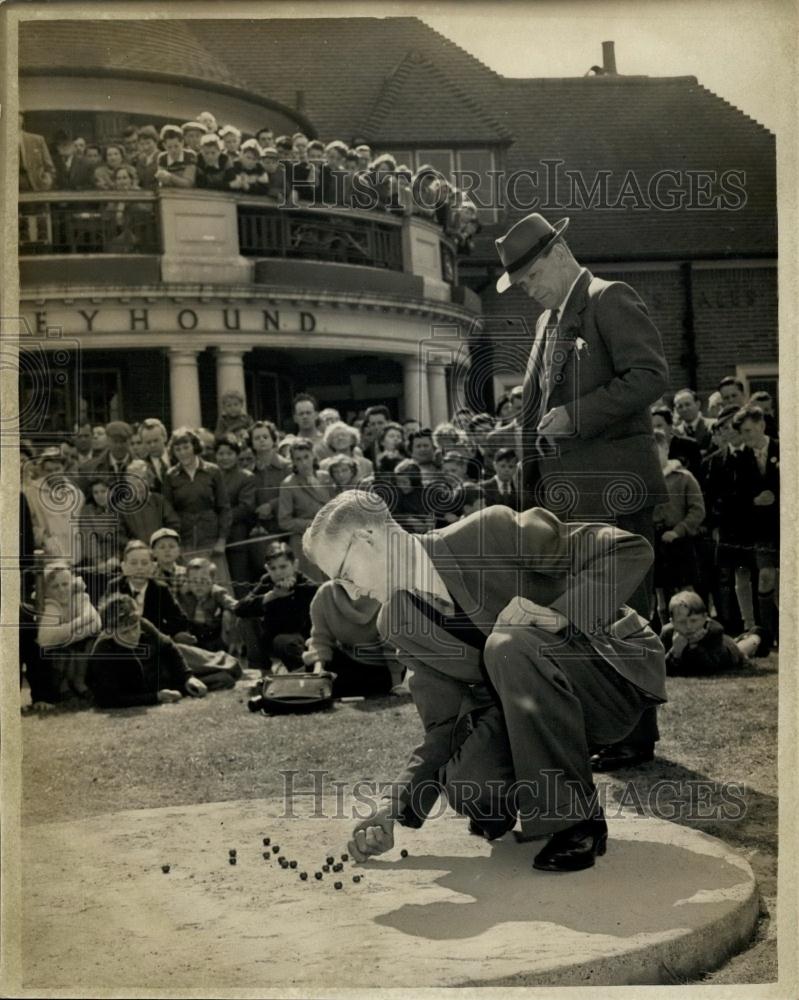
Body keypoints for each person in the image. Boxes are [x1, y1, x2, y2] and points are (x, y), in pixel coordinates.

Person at [303, 492, 665, 871]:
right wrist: (391, 810)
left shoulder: (487, 532)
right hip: (529, 713)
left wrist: (560, 616)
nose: (352, 592)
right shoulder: (396, 623)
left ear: (368, 538)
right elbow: (444, 725)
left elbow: (627, 549)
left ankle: (576, 820)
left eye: (345, 575)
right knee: (467, 782)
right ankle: (524, 799)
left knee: (508, 645)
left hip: (607, 677)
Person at [495, 211, 668, 772]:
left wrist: (576, 415)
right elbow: (533, 411)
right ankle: (612, 723)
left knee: (624, 614)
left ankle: (637, 734)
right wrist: (526, 476)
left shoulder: (609, 298)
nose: (527, 291)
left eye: (529, 279)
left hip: (616, 496)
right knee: (585, 616)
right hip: (566, 504)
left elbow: (649, 376)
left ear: (558, 254)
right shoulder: (549, 321)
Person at [88, 595, 207, 709]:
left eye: (135, 627)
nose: (133, 635)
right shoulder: (102, 652)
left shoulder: (143, 623)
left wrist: (188, 677)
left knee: (218, 668)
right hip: (152, 684)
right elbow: (107, 699)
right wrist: (156, 697)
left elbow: (168, 645)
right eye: (125, 632)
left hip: (167, 668)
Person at [302, 580, 402, 696]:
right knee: (312, 667)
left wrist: (397, 685)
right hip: (348, 659)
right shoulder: (326, 592)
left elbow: (392, 644)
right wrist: (318, 672)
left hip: (382, 668)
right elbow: (321, 638)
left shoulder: (386, 594)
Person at [732, 404, 779, 653]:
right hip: (762, 530)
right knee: (765, 576)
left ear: (761, 426)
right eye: (743, 433)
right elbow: (737, 496)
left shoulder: (785, 448)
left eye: (749, 431)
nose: (746, 437)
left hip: (788, 524)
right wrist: (754, 500)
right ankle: (768, 635)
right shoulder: (741, 459)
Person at [234, 541, 318, 672]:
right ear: (267, 569)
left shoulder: (307, 586)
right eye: (273, 568)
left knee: (284, 641)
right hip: (271, 638)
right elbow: (238, 608)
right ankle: (260, 669)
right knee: (245, 620)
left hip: (298, 640)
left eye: (283, 567)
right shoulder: (267, 581)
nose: (278, 572)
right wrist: (272, 596)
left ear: (294, 565)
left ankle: (301, 671)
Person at [651, 428, 706, 622]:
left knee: (686, 591)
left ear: (666, 448)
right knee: (660, 594)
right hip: (655, 542)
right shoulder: (644, 480)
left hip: (679, 542)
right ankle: (666, 632)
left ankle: (693, 626)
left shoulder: (684, 478)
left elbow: (697, 510)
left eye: (656, 449)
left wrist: (678, 531)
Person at [162, 426, 231, 575]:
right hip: (185, 539)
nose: (182, 453)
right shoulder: (170, 476)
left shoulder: (213, 471)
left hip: (210, 539)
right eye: (177, 449)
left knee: (216, 581)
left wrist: (222, 540)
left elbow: (224, 507)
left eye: (186, 447)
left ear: (194, 446)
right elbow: (168, 511)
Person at [35, 562, 101, 704]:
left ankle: (80, 683)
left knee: (89, 641)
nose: (62, 590)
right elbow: (45, 639)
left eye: (65, 584)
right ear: (46, 591)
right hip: (54, 663)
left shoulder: (79, 597)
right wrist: (78, 624)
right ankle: (63, 689)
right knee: (61, 649)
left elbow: (96, 623)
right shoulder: (50, 605)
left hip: (76, 658)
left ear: (72, 583)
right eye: (55, 586)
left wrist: (69, 636)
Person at [105, 539, 195, 642]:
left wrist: (168, 633)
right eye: (133, 563)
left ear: (152, 567)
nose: (139, 568)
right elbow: (107, 618)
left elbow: (179, 619)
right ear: (124, 567)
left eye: (144, 563)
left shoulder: (160, 589)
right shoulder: (115, 586)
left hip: (152, 642)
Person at [660, 591, 764, 676]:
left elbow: (711, 668)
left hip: (728, 651)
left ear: (705, 618)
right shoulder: (667, 633)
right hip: (718, 651)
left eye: (693, 620)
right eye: (682, 622)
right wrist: (675, 652)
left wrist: (694, 646)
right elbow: (658, 669)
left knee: (742, 648)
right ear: (672, 622)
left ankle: (756, 634)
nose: (688, 626)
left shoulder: (714, 630)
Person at [277, 438, 332, 580]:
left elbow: (334, 505)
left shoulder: (325, 477)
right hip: (304, 542)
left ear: (313, 455)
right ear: (293, 462)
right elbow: (284, 521)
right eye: (298, 459)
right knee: (313, 586)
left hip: (329, 539)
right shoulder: (288, 484)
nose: (303, 463)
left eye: (306, 457)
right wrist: (313, 524)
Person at [213, 434, 257, 596]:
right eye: (221, 454)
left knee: (240, 582)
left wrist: (220, 519)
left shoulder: (245, 477)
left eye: (229, 453)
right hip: (212, 537)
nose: (225, 458)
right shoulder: (210, 474)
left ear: (237, 455)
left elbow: (246, 507)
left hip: (236, 538)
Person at [177, 557, 239, 653]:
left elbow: (234, 605)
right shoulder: (185, 594)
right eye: (194, 581)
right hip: (194, 635)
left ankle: (228, 652)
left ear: (213, 580)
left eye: (204, 580)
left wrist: (227, 612)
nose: (199, 585)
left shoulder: (217, 592)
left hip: (214, 635)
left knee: (228, 615)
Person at [118, 459, 181, 544]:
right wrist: (134, 545)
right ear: (127, 481)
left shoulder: (159, 500)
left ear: (149, 480)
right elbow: (118, 535)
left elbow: (174, 524)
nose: (139, 482)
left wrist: (162, 541)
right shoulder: (121, 507)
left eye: (143, 478)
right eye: (134, 478)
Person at [650, 406, 703, 482]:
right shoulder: (648, 449)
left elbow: (698, 475)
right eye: (652, 427)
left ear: (670, 426)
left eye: (659, 426)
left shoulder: (689, 445)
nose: (655, 430)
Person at [19, 112, 55, 191]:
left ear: (22, 119)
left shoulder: (37, 140)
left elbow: (49, 167)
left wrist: (47, 182)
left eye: (17, 115)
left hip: (35, 187)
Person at [673, 389, 716, 456]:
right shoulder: (676, 433)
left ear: (698, 404)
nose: (684, 409)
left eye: (687, 404)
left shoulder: (713, 425)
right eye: (680, 406)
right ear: (676, 410)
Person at [150, 527, 188, 598]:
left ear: (178, 551)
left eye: (172, 546)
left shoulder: (186, 573)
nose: (167, 550)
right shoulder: (149, 573)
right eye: (162, 547)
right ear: (153, 552)